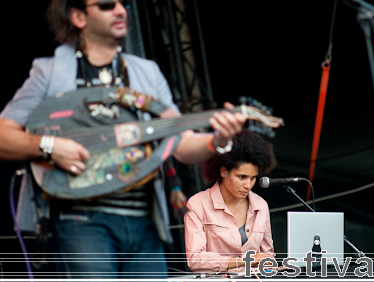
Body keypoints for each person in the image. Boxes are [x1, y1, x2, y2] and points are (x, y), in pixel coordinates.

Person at [0, 0, 246, 279]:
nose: (120, 10)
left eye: (123, 3)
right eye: (106, 5)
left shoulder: (146, 73)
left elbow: (181, 144)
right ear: (79, 16)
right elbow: (2, 135)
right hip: (80, 221)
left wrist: (218, 139)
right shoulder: (50, 72)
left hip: (143, 221)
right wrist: (49, 146)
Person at [184, 129, 277, 274]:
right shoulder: (198, 204)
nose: (248, 185)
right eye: (242, 177)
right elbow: (195, 260)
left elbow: (268, 256)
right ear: (223, 171)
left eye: (253, 178)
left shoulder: (261, 205)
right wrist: (244, 262)